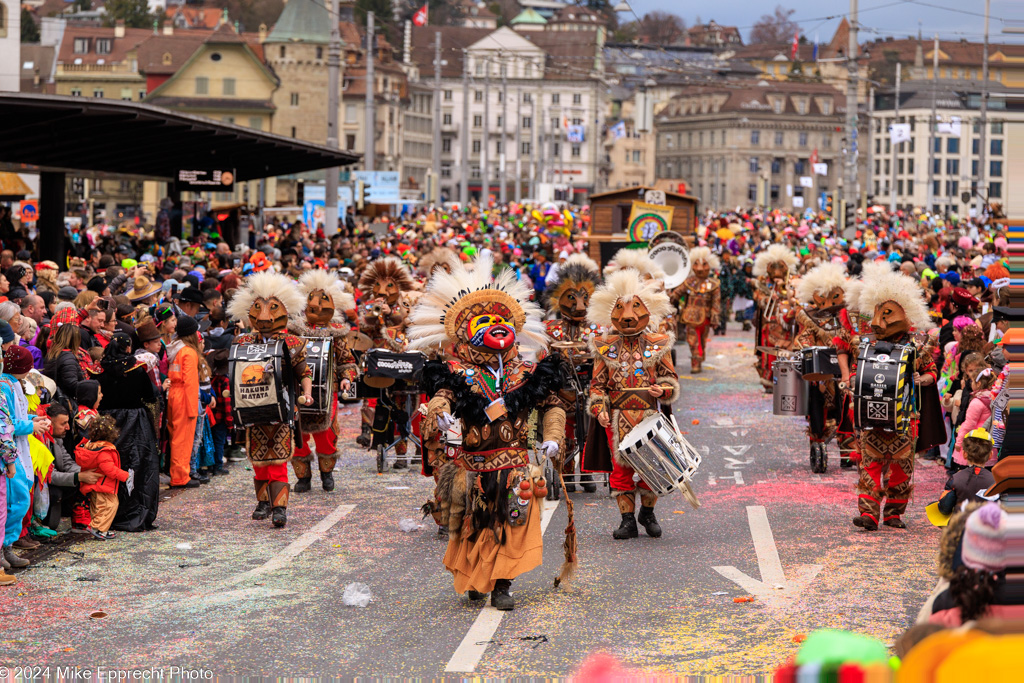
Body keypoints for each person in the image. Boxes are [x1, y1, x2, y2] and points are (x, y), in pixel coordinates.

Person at [412, 252, 568, 610]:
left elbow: (552, 404)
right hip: (473, 468)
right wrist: (442, 415)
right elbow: (442, 396)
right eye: (483, 321)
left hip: (514, 466)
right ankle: (477, 579)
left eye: (499, 320)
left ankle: (502, 585)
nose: (494, 326)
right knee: (474, 527)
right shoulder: (456, 369)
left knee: (513, 523)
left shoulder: (527, 370)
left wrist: (553, 437)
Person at [840, 263, 936, 531]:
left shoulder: (918, 344)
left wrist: (922, 379)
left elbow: (931, 372)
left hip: (905, 419)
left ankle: (894, 513)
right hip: (871, 416)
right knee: (869, 465)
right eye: (877, 314)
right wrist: (851, 382)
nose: (877, 322)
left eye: (887, 315)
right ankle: (869, 514)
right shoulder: (866, 342)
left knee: (901, 470)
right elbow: (858, 371)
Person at [585, 269, 680, 540]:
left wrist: (662, 389)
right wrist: (600, 409)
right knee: (621, 470)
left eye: (635, 308)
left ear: (647, 311)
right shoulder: (604, 346)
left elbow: (670, 379)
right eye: (622, 309)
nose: (628, 316)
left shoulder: (659, 343)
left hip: (649, 415)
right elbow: (598, 386)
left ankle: (647, 514)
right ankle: (627, 521)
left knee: (653, 464)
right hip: (617, 418)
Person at [226, 272, 312, 528]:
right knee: (258, 458)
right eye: (259, 308)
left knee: (277, 458)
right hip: (251, 410)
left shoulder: (293, 342)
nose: (264, 316)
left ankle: (280, 508)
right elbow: (234, 372)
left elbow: (304, 372)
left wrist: (306, 393)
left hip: (282, 410)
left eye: (272, 308)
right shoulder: (242, 341)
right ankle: (264, 501)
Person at [540, 253, 602, 493]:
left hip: (589, 387)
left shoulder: (599, 329)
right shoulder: (551, 329)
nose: (579, 305)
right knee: (563, 430)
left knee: (588, 430)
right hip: (562, 389)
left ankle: (587, 473)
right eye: (572, 298)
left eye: (584, 298)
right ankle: (564, 472)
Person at [290, 270, 357, 493]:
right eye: (314, 306)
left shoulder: (337, 334)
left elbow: (346, 361)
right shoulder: (294, 332)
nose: (318, 310)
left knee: (326, 435)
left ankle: (326, 474)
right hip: (297, 390)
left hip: (329, 392)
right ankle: (303, 477)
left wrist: (347, 378)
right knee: (298, 434)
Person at [96, 333, 160, 531]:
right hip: (135, 422)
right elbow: (150, 395)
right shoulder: (136, 370)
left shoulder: (97, 370)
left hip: (107, 422)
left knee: (110, 464)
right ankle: (138, 511)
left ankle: (110, 514)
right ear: (128, 347)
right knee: (139, 465)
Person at [1, 345, 50, 569]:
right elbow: (7, 424)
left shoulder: (15, 384)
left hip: (18, 448)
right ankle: (5, 546)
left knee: (20, 497)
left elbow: (15, 416)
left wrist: (33, 420)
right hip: (10, 451)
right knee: (16, 500)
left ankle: (7, 546)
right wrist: (31, 425)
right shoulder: (5, 386)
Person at [40, 403, 99, 533]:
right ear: (49, 423)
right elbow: (50, 475)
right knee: (60, 490)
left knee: (85, 480)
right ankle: (41, 522)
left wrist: (85, 473)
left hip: (53, 482)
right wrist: (78, 476)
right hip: (42, 488)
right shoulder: (39, 441)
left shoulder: (57, 439)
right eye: (63, 423)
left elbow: (67, 463)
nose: (67, 427)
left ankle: (80, 521)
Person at [75, 415, 133, 541]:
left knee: (98, 507)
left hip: (97, 484)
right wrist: (125, 476)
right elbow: (110, 470)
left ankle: (101, 530)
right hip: (104, 485)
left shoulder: (92, 448)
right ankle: (97, 527)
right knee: (109, 506)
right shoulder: (104, 452)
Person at [751, 245, 798, 393]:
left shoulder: (791, 281)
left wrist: (785, 292)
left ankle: (782, 380)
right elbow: (757, 297)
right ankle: (768, 380)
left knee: (782, 352)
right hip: (767, 324)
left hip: (784, 325)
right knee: (767, 353)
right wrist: (767, 299)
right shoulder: (763, 282)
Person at [167, 316, 203, 489]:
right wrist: (192, 409)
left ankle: (178, 473)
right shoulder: (188, 352)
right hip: (183, 396)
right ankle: (180, 477)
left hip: (174, 394)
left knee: (176, 437)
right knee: (183, 439)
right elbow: (190, 382)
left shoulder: (176, 349)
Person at [675, 247, 722, 375]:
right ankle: (695, 362)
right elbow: (677, 294)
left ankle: (699, 359)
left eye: (704, 264)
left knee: (702, 341)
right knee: (693, 341)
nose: (700, 268)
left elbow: (716, 303)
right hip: (690, 317)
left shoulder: (714, 284)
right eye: (696, 264)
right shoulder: (689, 282)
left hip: (705, 318)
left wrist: (714, 317)